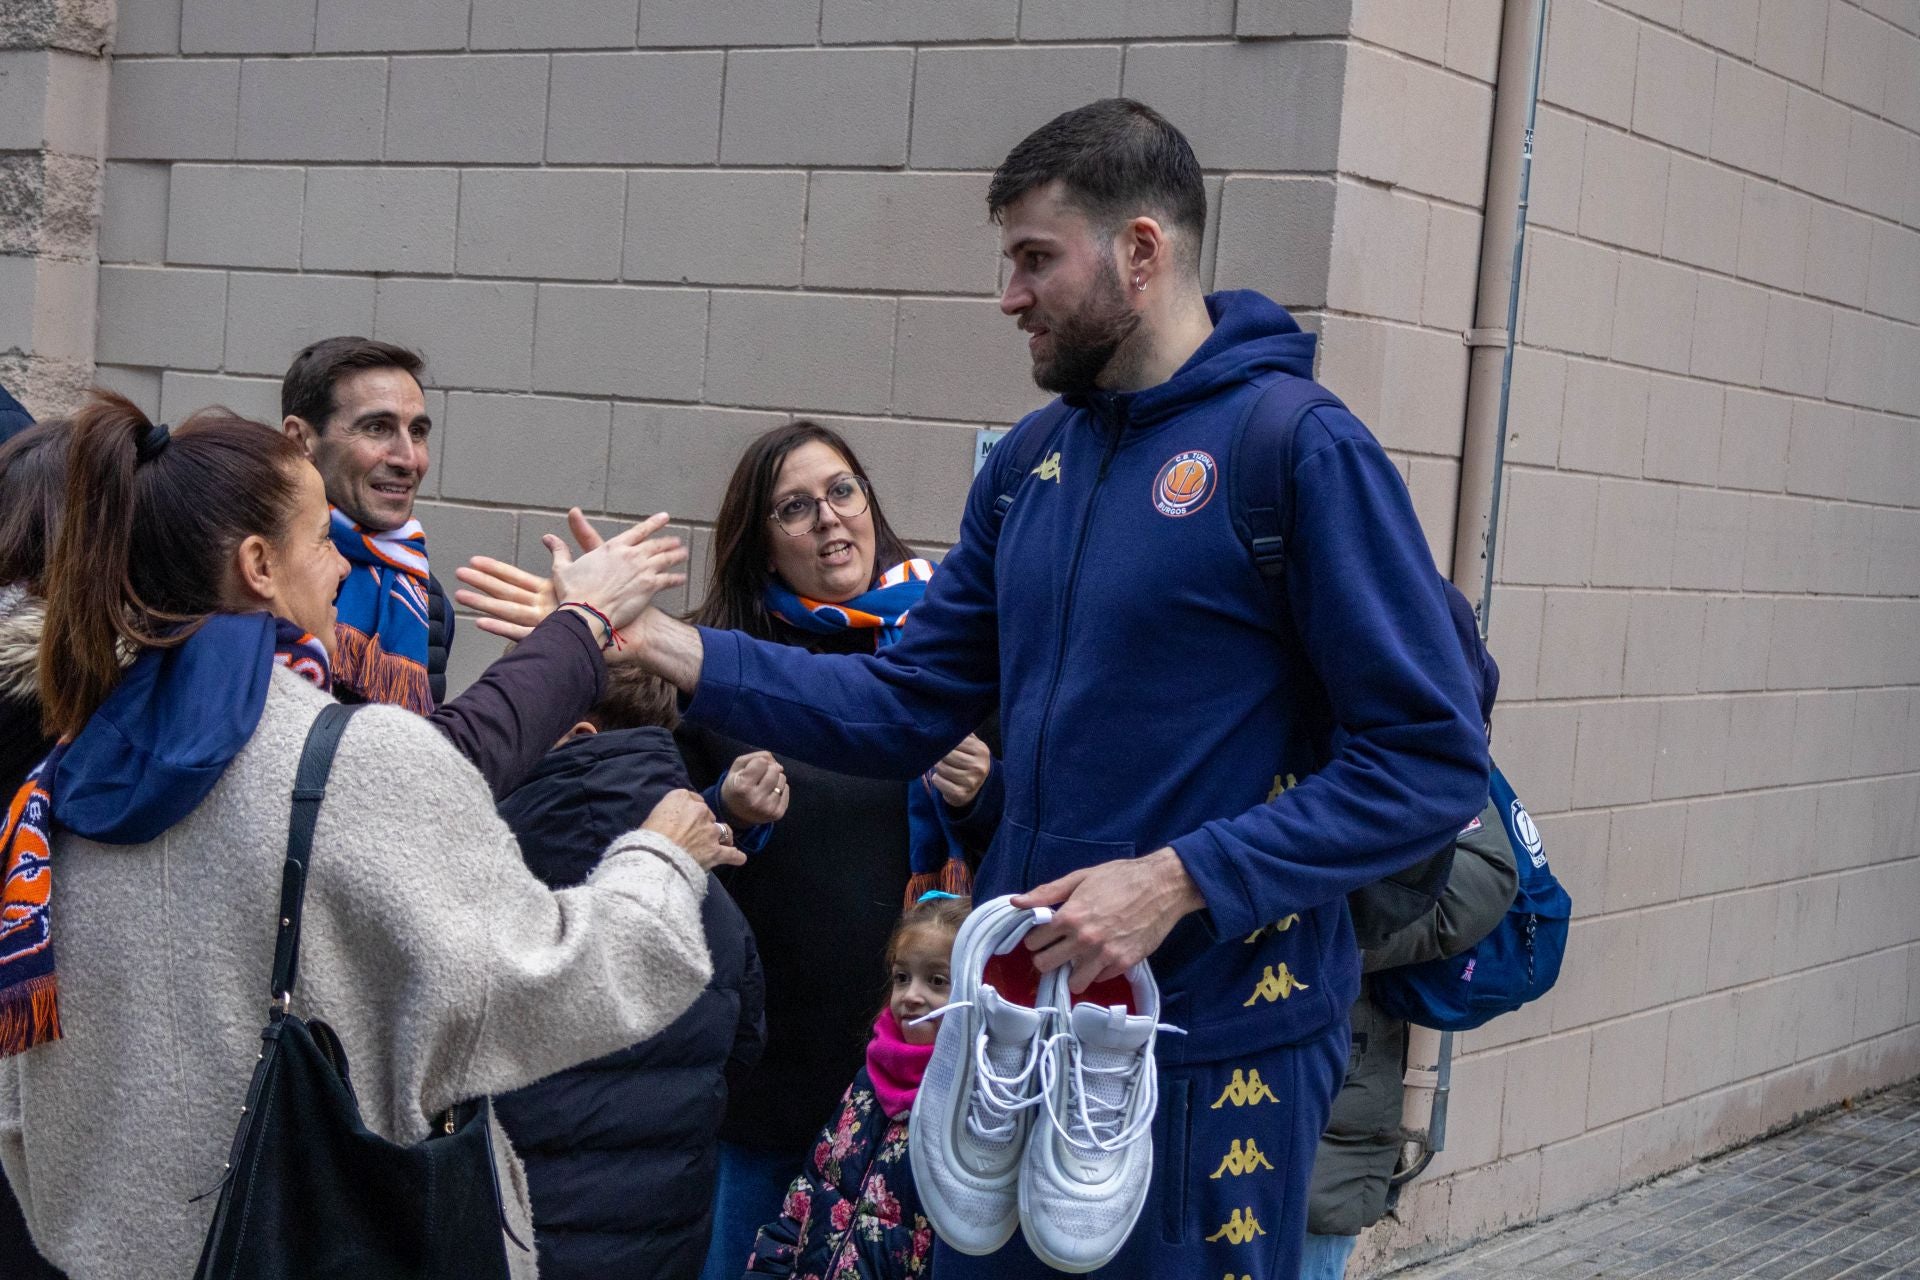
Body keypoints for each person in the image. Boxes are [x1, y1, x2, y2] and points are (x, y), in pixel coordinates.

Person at [465, 99, 1488, 1279]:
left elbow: (1427, 759)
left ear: (1141, 252)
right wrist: (653, 641)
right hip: (1008, 1038)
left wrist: (1176, 879)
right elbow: (896, 704)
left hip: (1206, 1049)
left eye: (1035, 259)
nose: (1010, 295)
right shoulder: (1028, 468)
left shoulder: (1298, 449)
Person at [0, 391, 745, 1280]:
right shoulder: (355, 756)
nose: (344, 567)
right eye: (322, 539)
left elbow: (22, 1112)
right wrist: (659, 859)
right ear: (257, 567)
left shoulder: (54, 793)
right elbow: (543, 990)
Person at [456, 421, 1004, 1280]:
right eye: (795, 508)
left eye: (842, 491)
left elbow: (1022, 846)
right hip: (769, 1081)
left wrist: (982, 800)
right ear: (761, 544)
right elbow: (661, 846)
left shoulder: (954, 655)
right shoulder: (717, 671)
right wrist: (730, 810)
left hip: (917, 1079)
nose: (828, 519)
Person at [490, 664, 775, 1280]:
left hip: (513, 1233)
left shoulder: (500, 874)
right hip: (666, 1237)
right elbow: (744, 1044)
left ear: (575, 733)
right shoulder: (713, 903)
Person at [742, 894, 967, 1279]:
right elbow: (807, 1193)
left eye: (937, 981)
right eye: (901, 977)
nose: (912, 996)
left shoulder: (974, 1108)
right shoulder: (867, 1084)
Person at [280, 337, 451, 711]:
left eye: (418, 432)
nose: (408, 459)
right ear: (300, 440)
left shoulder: (422, 592)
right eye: (377, 428)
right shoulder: (262, 573)